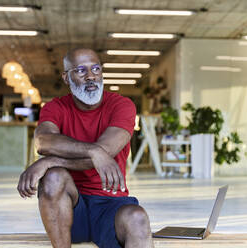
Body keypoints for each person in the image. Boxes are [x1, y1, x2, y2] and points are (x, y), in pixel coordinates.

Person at [17, 48, 154, 248]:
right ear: (66, 77)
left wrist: (49, 161)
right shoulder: (55, 108)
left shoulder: (122, 106)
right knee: (53, 177)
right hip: (69, 207)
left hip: (111, 205)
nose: (91, 76)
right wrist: (94, 150)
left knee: (137, 217)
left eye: (96, 69)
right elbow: (43, 141)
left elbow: (106, 150)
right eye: (81, 70)